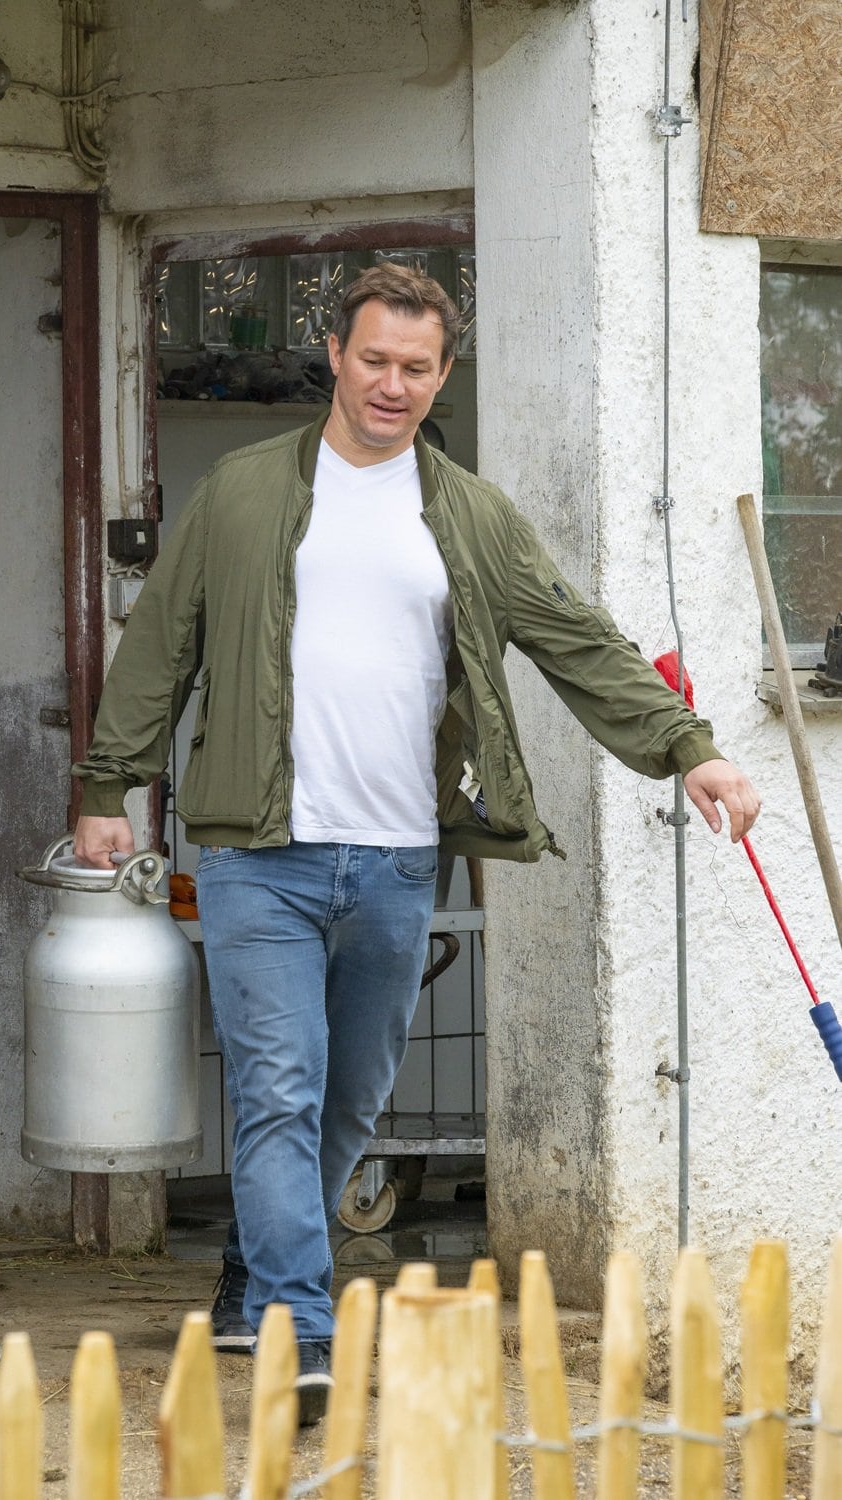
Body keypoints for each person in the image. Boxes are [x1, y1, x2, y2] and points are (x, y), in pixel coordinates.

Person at [71, 264, 760, 1423]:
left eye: (418, 368)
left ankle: (252, 1271)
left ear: (441, 376)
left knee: (347, 1102)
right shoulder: (240, 494)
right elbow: (160, 652)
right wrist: (107, 786)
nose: (393, 385)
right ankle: (303, 1325)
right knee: (278, 1090)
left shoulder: (469, 515)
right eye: (375, 359)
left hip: (396, 858)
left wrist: (687, 747)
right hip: (257, 852)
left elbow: (574, 638)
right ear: (333, 355)